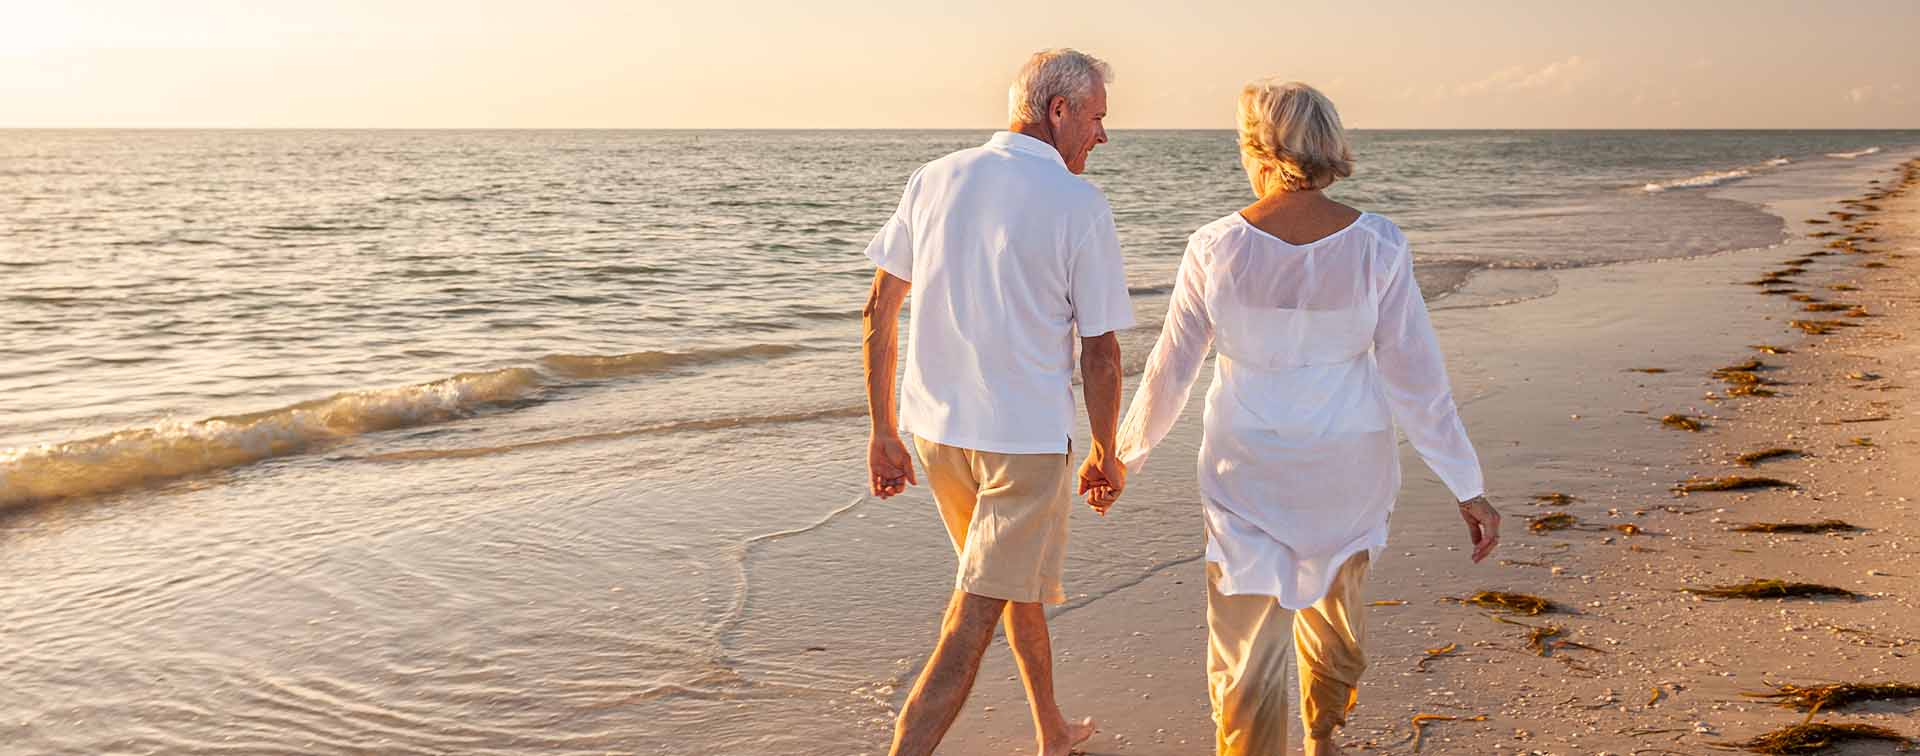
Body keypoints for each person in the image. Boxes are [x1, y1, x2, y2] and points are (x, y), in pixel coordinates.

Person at [1111, 80, 1501, 756]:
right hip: (1347, 470)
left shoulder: (1215, 245)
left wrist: (1121, 458)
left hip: (1245, 469)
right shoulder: (1379, 243)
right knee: (1335, 620)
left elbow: (1170, 371)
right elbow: (1418, 381)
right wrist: (1468, 486)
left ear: (1258, 148)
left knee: (1244, 648)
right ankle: (1323, 738)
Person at [859, 48, 1133, 756]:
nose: (1102, 135)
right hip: (1024, 449)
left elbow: (879, 309)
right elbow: (1101, 352)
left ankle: (1052, 730)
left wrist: (884, 430)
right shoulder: (1080, 203)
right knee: (972, 617)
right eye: (1097, 118)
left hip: (937, 435)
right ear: (1058, 110)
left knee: (1012, 584)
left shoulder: (935, 177)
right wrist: (1106, 450)